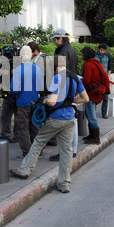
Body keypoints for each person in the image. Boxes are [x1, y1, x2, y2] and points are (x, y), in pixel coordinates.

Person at [9, 55, 89, 194]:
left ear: (56, 67)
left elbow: (52, 102)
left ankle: (25, 170)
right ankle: (64, 184)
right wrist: (69, 101)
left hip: (56, 118)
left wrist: (45, 101)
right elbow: (85, 98)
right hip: (70, 117)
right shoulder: (75, 77)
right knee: (66, 151)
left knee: (38, 142)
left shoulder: (57, 78)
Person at [49, 28, 79, 159]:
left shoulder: (63, 51)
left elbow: (61, 71)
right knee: (72, 119)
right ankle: (72, 149)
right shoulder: (71, 49)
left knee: (65, 121)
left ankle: (67, 151)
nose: (54, 42)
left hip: (65, 88)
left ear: (60, 39)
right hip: (73, 85)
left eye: (55, 40)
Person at [10, 45, 44, 159]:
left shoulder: (18, 70)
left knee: (23, 129)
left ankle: (27, 153)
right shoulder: (37, 69)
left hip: (22, 102)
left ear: (20, 56)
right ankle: (38, 151)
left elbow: (14, 89)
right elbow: (41, 86)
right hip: (35, 101)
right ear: (30, 56)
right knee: (35, 126)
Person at [81, 47, 110, 145]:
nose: (81, 56)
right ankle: (91, 135)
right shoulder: (96, 62)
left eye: (82, 54)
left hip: (91, 93)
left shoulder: (88, 64)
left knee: (91, 115)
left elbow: (86, 81)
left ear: (86, 55)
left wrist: (78, 80)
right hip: (96, 92)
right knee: (89, 114)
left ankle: (96, 138)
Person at [95, 43, 113, 119]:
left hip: (105, 80)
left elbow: (110, 68)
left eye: (103, 50)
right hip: (96, 79)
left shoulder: (108, 57)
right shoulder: (95, 56)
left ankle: (104, 113)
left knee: (105, 97)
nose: (101, 51)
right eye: (100, 50)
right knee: (95, 96)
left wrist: (107, 77)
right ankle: (93, 113)